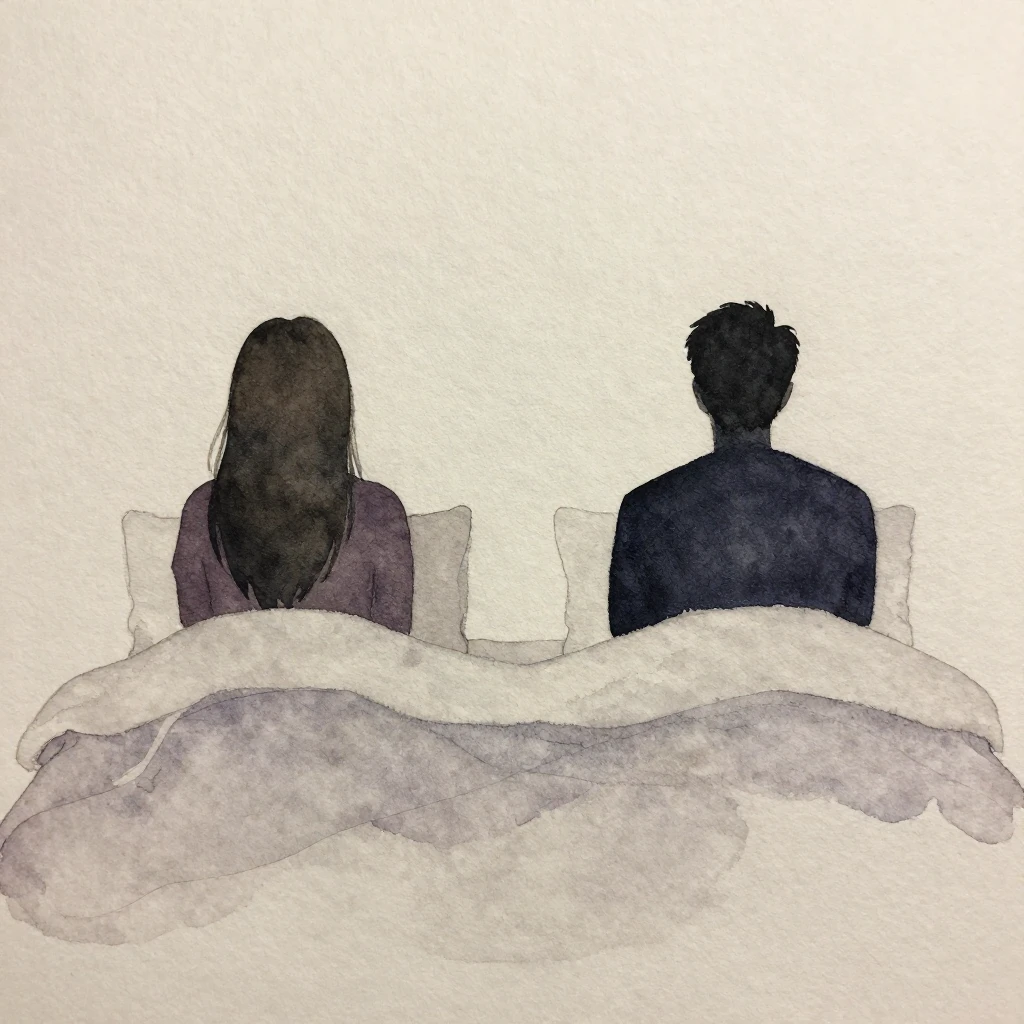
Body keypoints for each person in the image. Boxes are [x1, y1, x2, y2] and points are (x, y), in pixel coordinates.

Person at [608, 301, 876, 636]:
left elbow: (626, 639)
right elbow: (856, 636)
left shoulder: (643, 508)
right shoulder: (849, 504)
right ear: (786, 397)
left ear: (699, 396)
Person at [172, 317, 413, 633]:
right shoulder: (380, 510)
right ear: (336, 409)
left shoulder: (201, 508)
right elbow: (394, 642)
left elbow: (195, 642)